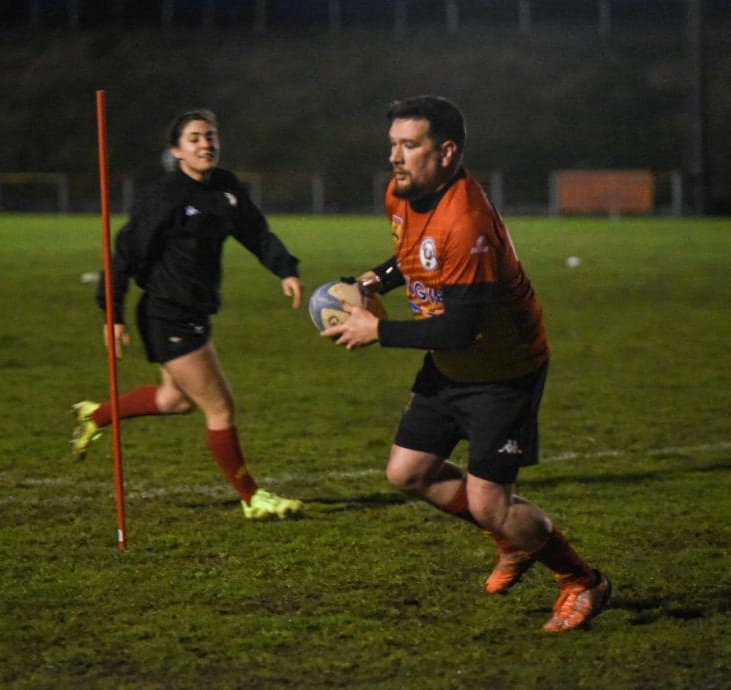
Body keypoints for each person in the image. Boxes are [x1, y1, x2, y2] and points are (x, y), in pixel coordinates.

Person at [322, 95, 610, 632]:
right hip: (452, 364)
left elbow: (460, 328)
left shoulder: (467, 220)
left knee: (489, 504)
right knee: (408, 473)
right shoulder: (402, 193)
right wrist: (368, 283)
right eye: (393, 145)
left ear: (447, 151)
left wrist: (377, 329)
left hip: (503, 372)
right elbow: (411, 257)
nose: (396, 157)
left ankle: (582, 581)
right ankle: (510, 539)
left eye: (410, 146)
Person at [72, 108, 305, 520]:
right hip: (167, 315)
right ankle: (252, 497)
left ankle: (97, 414)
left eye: (210, 136)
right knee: (220, 409)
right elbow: (124, 254)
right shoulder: (165, 197)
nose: (205, 144)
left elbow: (255, 231)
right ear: (177, 151)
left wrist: (284, 268)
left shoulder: (226, 188)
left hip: (193, 312)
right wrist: (113, 312)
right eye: (195, 138)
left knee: (174, 399)